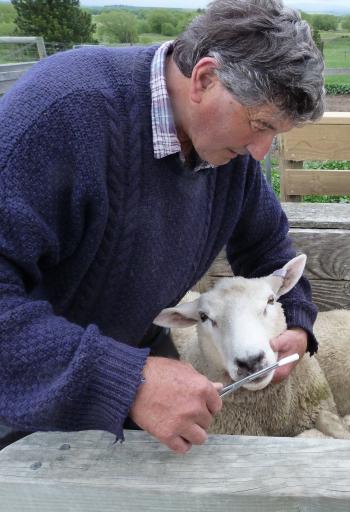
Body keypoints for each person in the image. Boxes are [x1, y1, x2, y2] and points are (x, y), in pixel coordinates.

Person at [0, 0, 324, 454]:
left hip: (133, 353)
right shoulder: (60, 113)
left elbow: (267, 246)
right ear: (206, 78)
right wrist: (126, 380)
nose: (259, 152)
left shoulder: (224, 147)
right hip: (19, 391)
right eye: (260, 125)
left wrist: (298, 322)